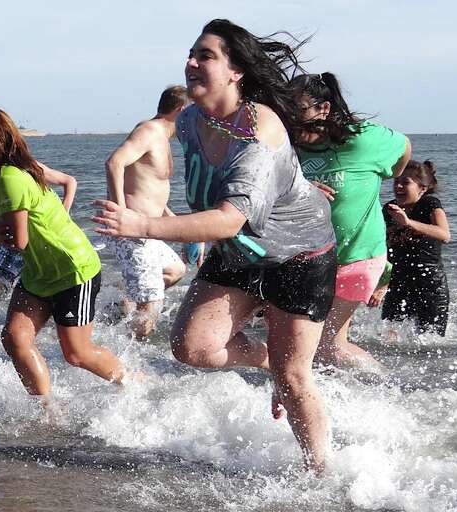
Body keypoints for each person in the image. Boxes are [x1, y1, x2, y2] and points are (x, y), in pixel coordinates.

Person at [94, 19, 336, 473]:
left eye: (205, 55)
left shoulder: (259, 130)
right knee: (191, 347)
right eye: (191, 54)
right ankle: (269, 362)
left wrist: (142, 223)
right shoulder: (189, 120)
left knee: (295, 378)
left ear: (236, 71)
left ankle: (321, 477)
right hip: (239, 252)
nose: (191, 62)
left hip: (299, 257)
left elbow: (229, 218)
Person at [0, 106, 127, 401]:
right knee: (14, 339)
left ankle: (135, 383)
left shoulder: (11, 177)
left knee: (76, 353)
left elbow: (17, 241)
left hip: (72, 270)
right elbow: (5, 229)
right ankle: (48, 412)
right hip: (38, 273)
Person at [289, 72, 411, 367]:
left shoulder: (362, 140)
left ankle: (385, 386)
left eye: (297, 109)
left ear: (323, 109)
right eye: (283, 108)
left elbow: (404, 145)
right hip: (306, 260)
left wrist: (391, 172)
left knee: (327, 346)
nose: (289, 117)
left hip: (358, 255)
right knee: (296, 342)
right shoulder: (286, 147)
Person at [104, 85, 190, 339]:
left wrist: (178, 225)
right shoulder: (149, 131)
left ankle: (122, 298)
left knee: (175, 270)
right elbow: (114, 162)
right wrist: (120, 211)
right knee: (151, 305)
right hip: (130, 231)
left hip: (148, 230)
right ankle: (133, 355)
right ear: (181, 110)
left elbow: (149, 186)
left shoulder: (161, 136)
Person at [0, 163, 78, 296]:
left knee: (38, 290)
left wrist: (63, 213)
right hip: (11, 240)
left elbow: (69, 181)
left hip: (39, 241)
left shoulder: (26, 166)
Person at [380, 160, 451, 336]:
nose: (399, 186)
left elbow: (444, 235)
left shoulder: (430, 204)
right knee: (387, 339)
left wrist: (408, 222)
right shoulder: (389, 209)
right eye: (396, 182)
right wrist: (380, 284)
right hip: (397, 282)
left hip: (429, 283)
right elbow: (382, 247)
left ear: (422, 188)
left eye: (406, 182)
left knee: (430, 342)